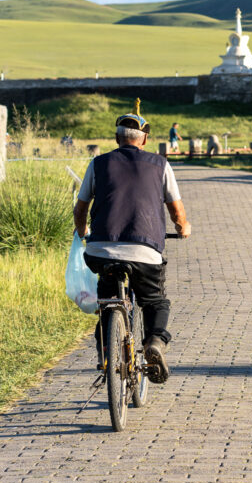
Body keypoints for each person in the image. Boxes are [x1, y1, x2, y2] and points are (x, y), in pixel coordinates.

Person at [73, 113, 191, 384]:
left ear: (116, 139)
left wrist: (83, 232)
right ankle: (155, 342)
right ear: (145, 140)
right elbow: (176, 210)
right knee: (155, 300)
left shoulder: (98, 163)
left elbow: (80, 209)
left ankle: (106, 352)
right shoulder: (160, 164)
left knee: (107, 299)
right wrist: (183, 227)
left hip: (101, 249)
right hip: (144, 251)